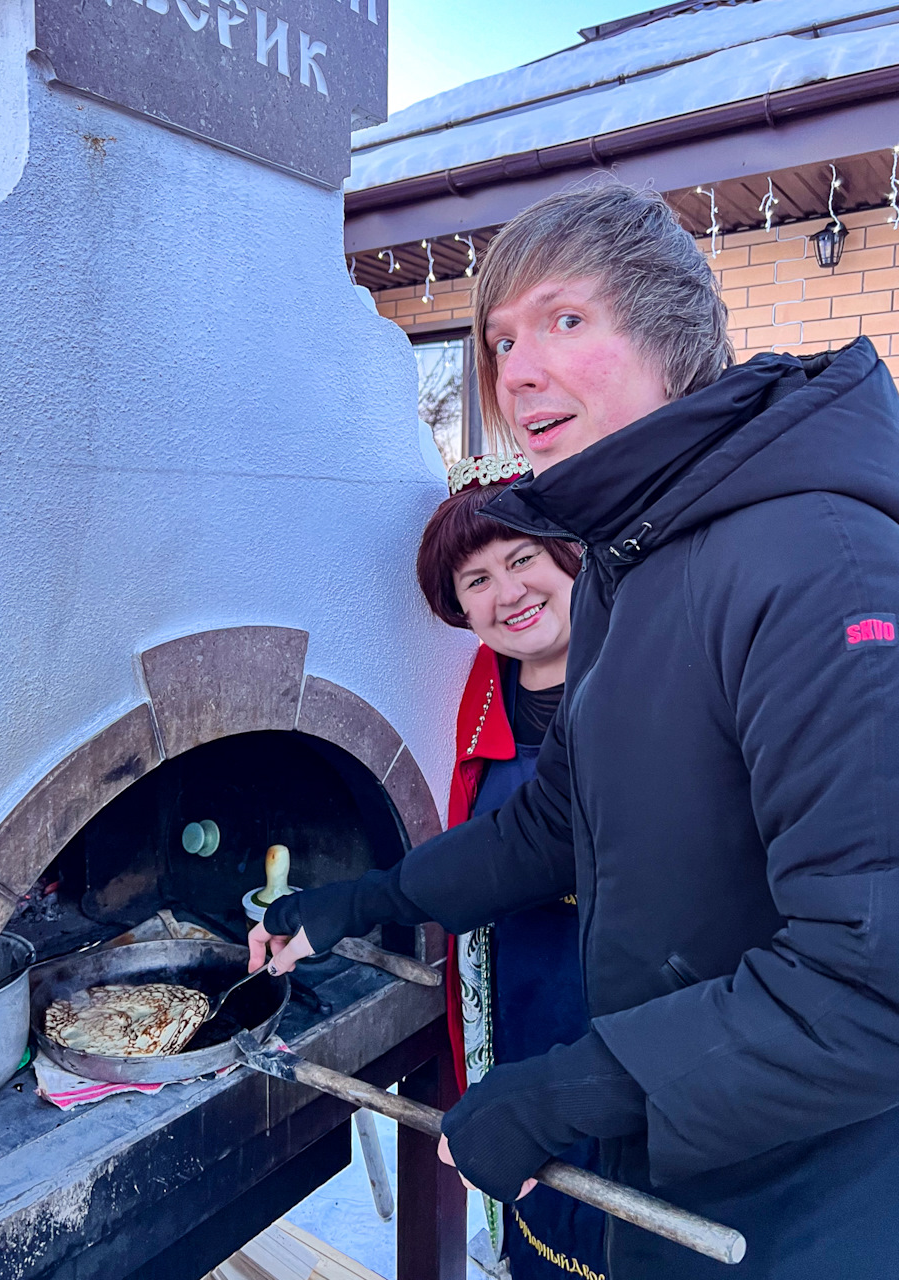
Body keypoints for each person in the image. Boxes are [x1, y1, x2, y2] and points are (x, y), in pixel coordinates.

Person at [250, 180, 899, 1278]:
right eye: (498, 340)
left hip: (803, 1213)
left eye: (563, 319)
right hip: (676, 1184)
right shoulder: (628, 563)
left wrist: (575, 1086)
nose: (516, 373)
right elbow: (559, 816)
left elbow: (871, 976)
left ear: (671, 333)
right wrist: (356, 903)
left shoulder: (818, 560)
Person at [416, 458, 603, 1278]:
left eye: (523, 558)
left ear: (569, 555)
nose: (508, 592)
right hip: (521, 1001)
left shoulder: (651, 672)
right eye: (476, 579)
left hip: (629, 1006)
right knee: (545, 1218)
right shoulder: (482, 690)